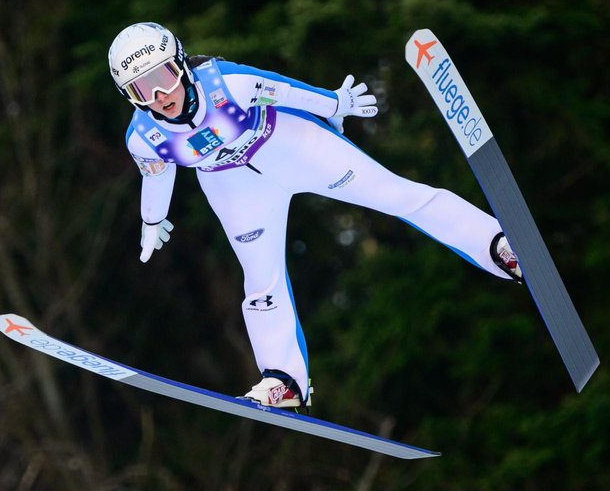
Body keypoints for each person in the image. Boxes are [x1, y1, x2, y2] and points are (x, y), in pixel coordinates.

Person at [108, 22, 522, 410]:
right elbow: (157, 177)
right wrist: (151, 221)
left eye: (163, 77)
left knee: (396, 195)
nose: (160, 95)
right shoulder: (144, 137)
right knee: (260, 279)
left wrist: (334, 104)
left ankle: (497, 245)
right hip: (232, 184)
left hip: (287, 145)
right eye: (142, 89)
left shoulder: (226, 83)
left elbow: (286, 91)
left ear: (180, 63)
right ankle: (284, 380)